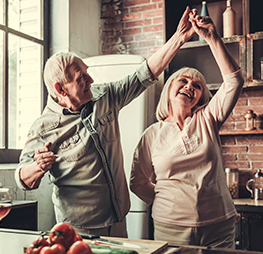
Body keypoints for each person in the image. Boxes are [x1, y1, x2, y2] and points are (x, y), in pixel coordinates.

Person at [14, 7, 198, 237]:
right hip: (78, 230)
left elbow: (144, 74)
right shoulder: (43, 128)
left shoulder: (104, 96)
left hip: (119, 219)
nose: (91, 79)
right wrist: (37, 167)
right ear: (61, 89)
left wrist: (179, 38)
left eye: (87, 73)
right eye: (82, 78)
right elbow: (23, 179)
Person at [130, 12, 244, 248]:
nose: (190, 86)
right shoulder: (151, 134)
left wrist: (212, 38)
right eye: (183, 80)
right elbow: (138, 182)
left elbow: (233, 80)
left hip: (219, 225)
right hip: (169, 227)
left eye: (197, 86)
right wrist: (168, 202)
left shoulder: (208, 118)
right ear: (169, 88)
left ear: (201, 96)